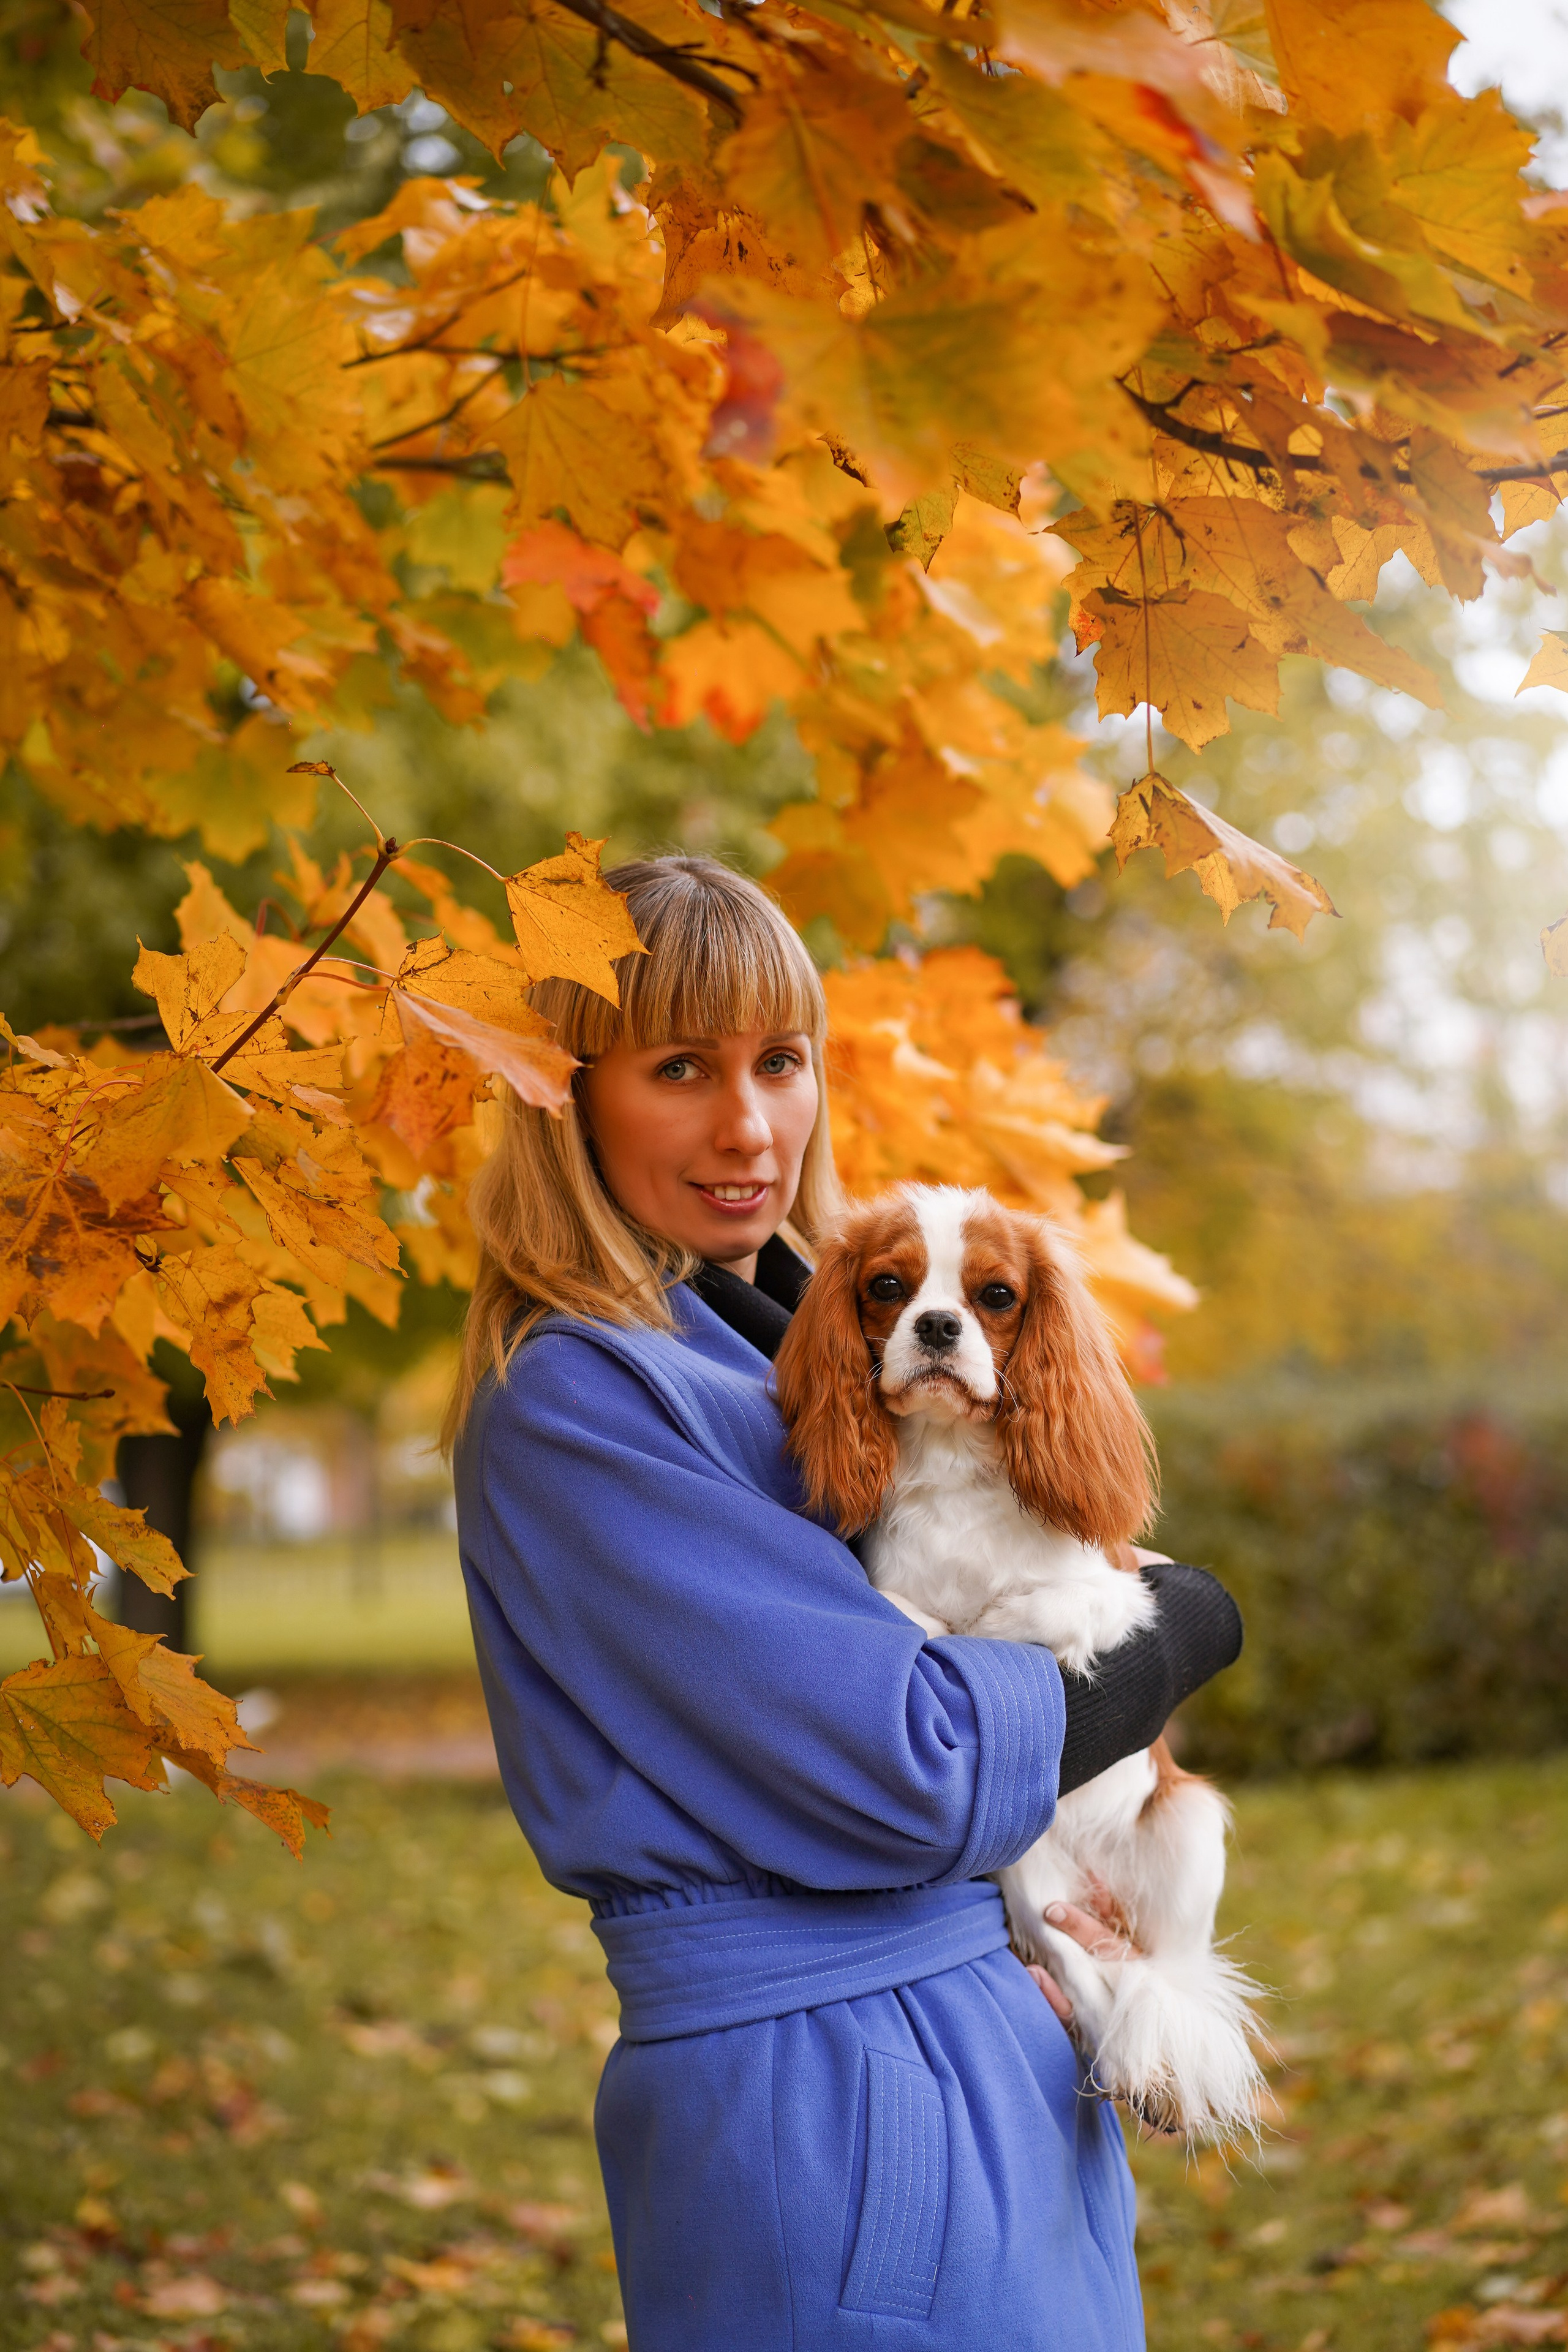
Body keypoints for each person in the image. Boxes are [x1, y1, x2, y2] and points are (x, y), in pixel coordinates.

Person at [447, 857, 1243, 2352]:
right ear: (565, 1094)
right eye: (678, 1067)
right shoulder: (574, 1399)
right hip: (825, 2088)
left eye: (779, 1063)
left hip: (985, 2042)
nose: (746, 1125)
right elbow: (918, 1758)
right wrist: (1186, 1625)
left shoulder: (789, 1348)